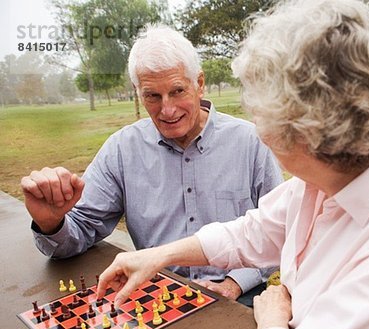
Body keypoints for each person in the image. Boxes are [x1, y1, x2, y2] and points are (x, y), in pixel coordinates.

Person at [97, 1, 369, 329]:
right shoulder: (325, 178)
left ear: (314, 131)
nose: (263, 135)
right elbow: (250, 232)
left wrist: (271, 318)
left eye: (269, 119)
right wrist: (159, 256)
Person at [20, 25, 283, 305]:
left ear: (200, 83)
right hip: (157, 296)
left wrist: (234, 283)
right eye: (152, 96)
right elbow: (81, 229)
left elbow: (278, 232)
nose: (167, 110)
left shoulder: (251, 142)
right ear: (138, 92)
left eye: (177, 91)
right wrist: (51, 223)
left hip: (238, 296)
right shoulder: (122, 150)